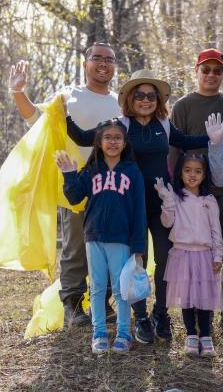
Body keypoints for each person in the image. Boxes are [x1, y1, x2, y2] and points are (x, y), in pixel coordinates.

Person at [65, 69, 209, 344]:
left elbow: (188, 142)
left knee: (166, 258)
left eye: (151, 96)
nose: (145, 100)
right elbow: (86, 138)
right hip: (128, 205)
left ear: (158, 100)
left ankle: (161, 314)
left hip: (162, 202)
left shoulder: (164, 125)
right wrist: (64, 117)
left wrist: (214, 137)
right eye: (140, 95)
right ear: (130, 98)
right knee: (134, 262)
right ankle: (140, 316)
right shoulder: (121, 125)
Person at [8, 42, 120, 328]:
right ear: (86, 64)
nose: (103, 64)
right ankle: (72, 304)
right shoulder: (68, 96)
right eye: (97, 58)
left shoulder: (121, 102)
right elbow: (35, 119)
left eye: (109, 59)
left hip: (113, 186)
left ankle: (102, 301)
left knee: (109, 245)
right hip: (76, 185)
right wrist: (18, 91)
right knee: (77, 247)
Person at [169, 49, 223, 329]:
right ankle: (194, 307)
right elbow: (174, 147)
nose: (212, 75)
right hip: (192, 192)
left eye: (218, 71)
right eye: (206, 70)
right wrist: (175, 188)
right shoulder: (183, 106)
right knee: (194, 251)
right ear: (197, 72)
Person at [55, 119, 147, 354]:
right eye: (108, 137)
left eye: (118, 137)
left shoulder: (133, 172)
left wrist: (138, 248)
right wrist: (69, 175)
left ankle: (124, 333)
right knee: (96, 287)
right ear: (99, 142)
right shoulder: (92, 170)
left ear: (125, 143)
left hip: (121, 239)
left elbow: (139, 212)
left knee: (120, 288)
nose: (113, 141)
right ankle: (99, 333)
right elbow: (75, 197)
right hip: (93, 237)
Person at [154, 153, 223, 357]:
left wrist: (218, 254)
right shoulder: (175, 197)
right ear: (180, 173)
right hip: (182, 254)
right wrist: (166, 201)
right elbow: (167, 223)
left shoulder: (209, 201)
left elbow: (216, 230)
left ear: (204, 175)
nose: (192, 175)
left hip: (205, 255)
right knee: (187, 297)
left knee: (203, 297)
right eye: (187, 170)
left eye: (198, 171)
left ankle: (206, 335)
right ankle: (191, 334)